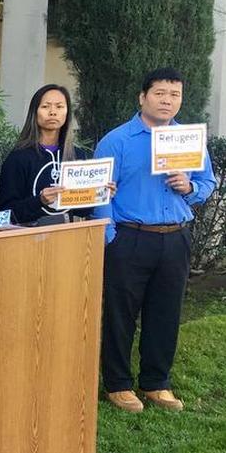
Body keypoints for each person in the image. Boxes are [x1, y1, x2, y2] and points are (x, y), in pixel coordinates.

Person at [92, 67, 217, 413]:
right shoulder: (117, 141)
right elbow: (100, 192)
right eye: (160, 93)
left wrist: (189, 188)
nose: (167, 100)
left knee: (166, 312)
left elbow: (208, 182)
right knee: (121, 313)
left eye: (174, 95)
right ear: (143, 97)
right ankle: (117, 384)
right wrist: (110, 236)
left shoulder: (189, 139)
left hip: (175, 237)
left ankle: (155, 382)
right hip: (130, 237)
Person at [0, 84, 110, 224]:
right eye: (45, 106)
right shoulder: (18, 158)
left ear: (67, 112)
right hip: (27, 240)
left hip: (67, 238)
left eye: (59, 106)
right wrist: (39, 201)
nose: (52, 112)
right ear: (34, 112)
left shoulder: (77, 155)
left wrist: (100, 194)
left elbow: (82, 211)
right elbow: (2, 215)